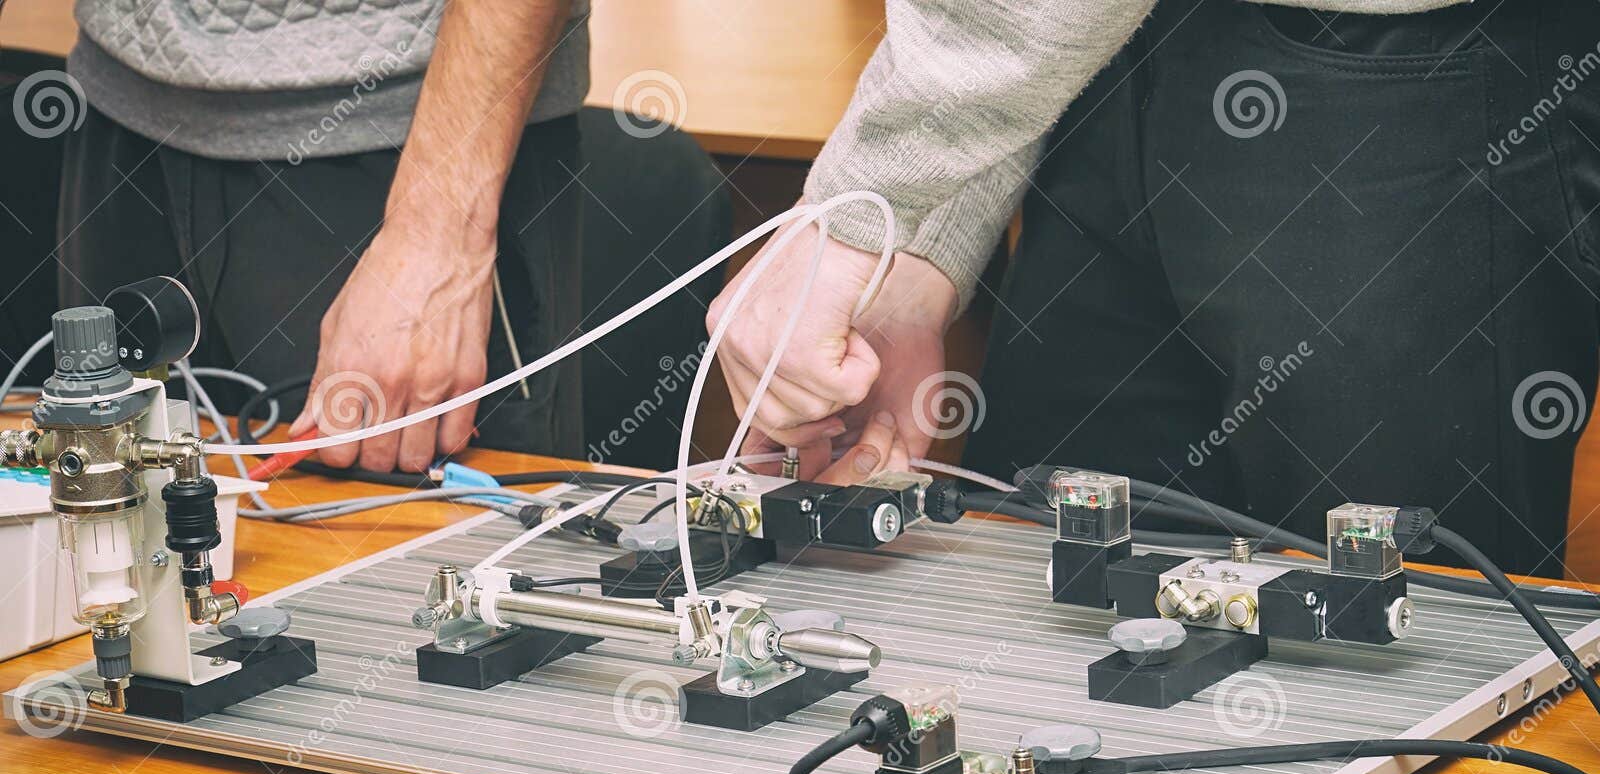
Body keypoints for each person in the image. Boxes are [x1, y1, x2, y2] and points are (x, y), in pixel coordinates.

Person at [710, 0, 1600, 577]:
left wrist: (865, 210)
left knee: (1394, 697)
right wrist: (919, 245)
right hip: (1098, 59)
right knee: (1043, 642)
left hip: (1406, 66)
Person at [55, 0, 589, 473]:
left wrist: (437, 233)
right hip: (119, 117)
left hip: (404, 140)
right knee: (109, 519)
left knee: (398, 563)